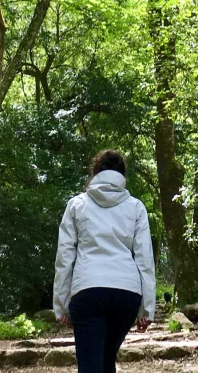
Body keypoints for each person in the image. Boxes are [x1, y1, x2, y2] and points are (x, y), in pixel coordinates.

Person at [53, 149, 156, 373]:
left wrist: (61, 304)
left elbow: (65, 256)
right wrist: (147, 308)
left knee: (91, 364)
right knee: (107, 359)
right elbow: (144, 259)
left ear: (96, 172)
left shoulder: (76, 205)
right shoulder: (136, 207)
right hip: (126, 294)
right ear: (122, 174)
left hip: (88, 290)